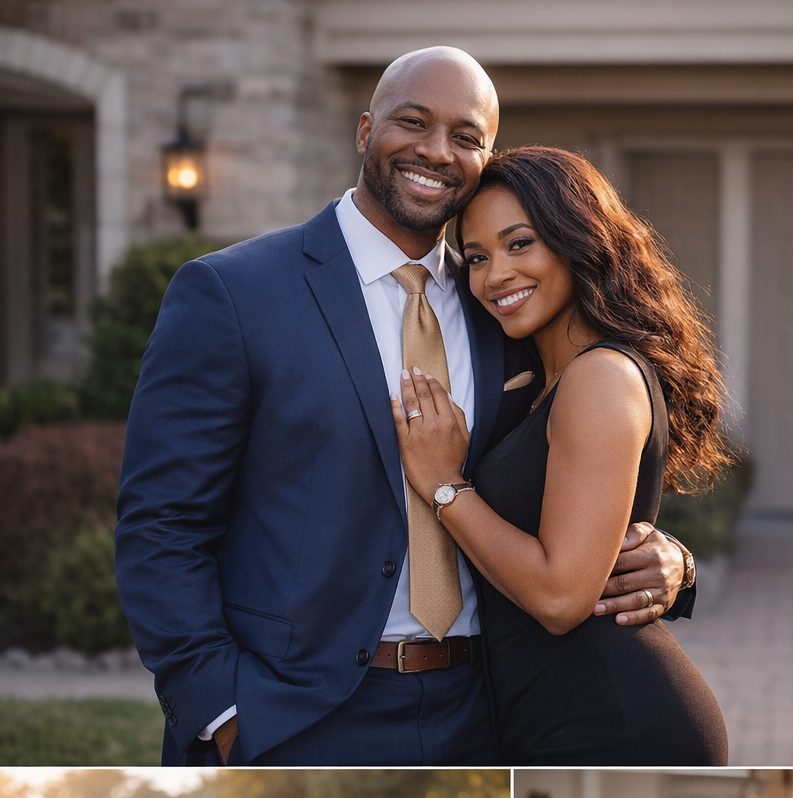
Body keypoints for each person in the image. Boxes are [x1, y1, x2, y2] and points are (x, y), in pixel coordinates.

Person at [115, 47, 694, 766]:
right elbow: (161, 524)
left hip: (482, 715)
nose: (435, 151)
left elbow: (570, 472)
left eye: (465, 136)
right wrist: (225, 713)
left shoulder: (505, 310)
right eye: (412, 123)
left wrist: (670, 558)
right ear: (364, 132)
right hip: (291, 720)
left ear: (486, 156)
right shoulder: (233, 295)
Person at [391, 145, 730, 765]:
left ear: (578, 238)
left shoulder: (600, 377)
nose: (496, 276)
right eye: (476, 258)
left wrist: (444, 486)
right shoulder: (533, 378)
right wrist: (675, 560)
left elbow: (558, 599)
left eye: (520, 243)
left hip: (612, 724)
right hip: (542, 717)